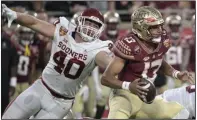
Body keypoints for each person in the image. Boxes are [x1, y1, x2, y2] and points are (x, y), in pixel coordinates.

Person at [2, 4, 113, 119]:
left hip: (61, 103)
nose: (91, 28)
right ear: (80, 21)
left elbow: (108, 62)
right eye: (89, 23)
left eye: (95, 25)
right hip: (41, 87)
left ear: (100, 29)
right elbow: (34, 23)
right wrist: (15, 15)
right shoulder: (64, 30)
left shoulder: (98, 47)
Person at [101, 6, 194, 119]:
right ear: (141, 28)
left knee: (181, 113)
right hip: (124, 97)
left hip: (147, 98)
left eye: (160, 25)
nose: (160, 30)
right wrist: (129, 86)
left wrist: (176, 73)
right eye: (154, 27)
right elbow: (106, 78)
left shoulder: (161, 40)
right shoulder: (129, 45)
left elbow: (158, 59)